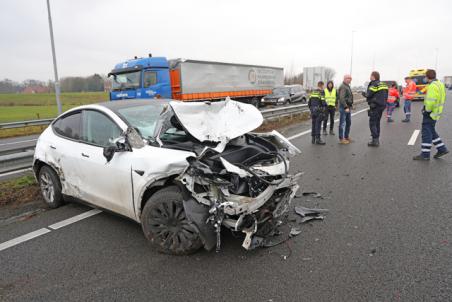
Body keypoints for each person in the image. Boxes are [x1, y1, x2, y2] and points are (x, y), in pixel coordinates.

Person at [413, 69, 449, 160]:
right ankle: (442, 149)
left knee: (426, 133)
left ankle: (425, 155)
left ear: (427, 76)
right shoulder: (440, 84)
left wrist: (426, 111)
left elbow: (430, 101)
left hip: (430, 113)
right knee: (431, 131)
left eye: (425, 76)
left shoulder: (432, 86)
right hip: (436, 113)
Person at [364, 71, 388, 147]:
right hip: (382, 106)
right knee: (377, 122)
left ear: (373, 76)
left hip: (375, 106)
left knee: (372, 123)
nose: (370, 77)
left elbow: (368, 95)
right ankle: (377, 139)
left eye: (370, 75)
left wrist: (364, 94)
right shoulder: (384, 84)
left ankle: (375, 140)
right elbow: (386, 95)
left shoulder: (374, 84)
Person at [337, 75, 353, 144]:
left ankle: (346, 136)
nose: (349, 80)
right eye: (348, 78)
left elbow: (348, 97)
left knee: (348, 123)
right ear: (344, 79)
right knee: (342, 123)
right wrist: (346, 107)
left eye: (350, 78)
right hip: (344, 108)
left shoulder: (347, 86)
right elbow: (341, 98)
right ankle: (341, 138)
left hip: (348, 107)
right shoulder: (343, 86)